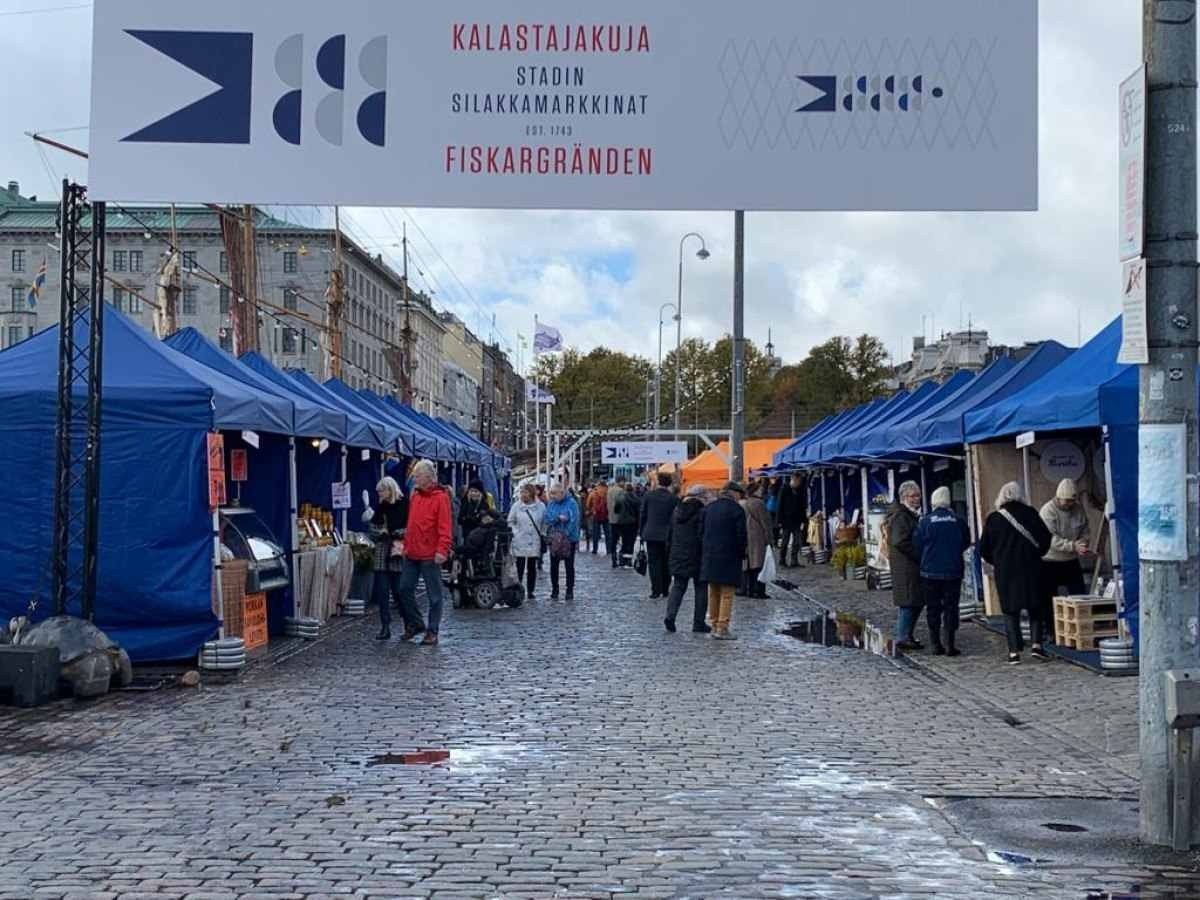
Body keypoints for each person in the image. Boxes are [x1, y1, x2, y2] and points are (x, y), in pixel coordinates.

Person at [979, 481, 1053, 664]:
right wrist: (1037, 554)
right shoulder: (1031, 514)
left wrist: (996, 561)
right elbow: (1045, 539)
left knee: (1010, 611)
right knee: (1035, 607)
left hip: (1006, 571)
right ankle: (1037, 645)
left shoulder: (994, 518)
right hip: (1032, 568)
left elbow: (984, 548)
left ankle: (1014, 651)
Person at [397, 459, 453, 647]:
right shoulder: (415, 495)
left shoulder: (440, 497)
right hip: (412, 551)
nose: (414, 478)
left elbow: (445, 526)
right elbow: (411, 524)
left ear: (429, 477)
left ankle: (433, 630)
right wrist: (406, 546)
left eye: (418, 475)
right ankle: (416, 623)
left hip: (430, 554)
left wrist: (442, 549)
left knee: (434, 595)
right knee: (404, 589)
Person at [913, 486, 972, 656]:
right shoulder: (958, 520)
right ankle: (950, 644)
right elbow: (966, 541)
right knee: (951, 607)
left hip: (930, 571)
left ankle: (935, 643)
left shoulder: (925, 521)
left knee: (933, 608)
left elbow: (917, 545)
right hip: (953, 570)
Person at [1039, 478, 1091, 640]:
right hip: (1050, 561)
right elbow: (1050, 538)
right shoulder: (1048, 511)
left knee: (1079, 595)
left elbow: (1085, 528)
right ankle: (1052, 631)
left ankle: (1083, 629)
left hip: (1070, 560)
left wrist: (1083, 542)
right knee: (1049, 599)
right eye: (1066, 501)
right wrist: (1073, 546)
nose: (1069, 504)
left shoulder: (1078, 509)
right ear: (1058, 497)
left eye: (1072, 500)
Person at [701, 481, 749, 640]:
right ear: (734, 493)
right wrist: (742, 553)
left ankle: (714, 624)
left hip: (710, 555)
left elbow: (700, 532)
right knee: (727, 593)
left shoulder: (709, 508)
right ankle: (722, 627)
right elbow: (741, 535)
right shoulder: (737, 510)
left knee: (713, 591)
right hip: (729, 555)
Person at [363, 477, 409, 641]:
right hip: (383, 550)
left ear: (389, 489)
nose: (379, 494)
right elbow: (373, 528)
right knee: (382, 591)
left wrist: (399, 533)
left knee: (398, 591)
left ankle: (407, 624)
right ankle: (385, 626)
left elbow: (410, 527)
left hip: (397, 550)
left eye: (381, 491)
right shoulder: (381, 506)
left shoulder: (404, 503)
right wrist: (379, 531)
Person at [665, 485, 711, 633]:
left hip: (678, 554)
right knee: (701, 589)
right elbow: (703, 535)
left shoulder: (676, 511)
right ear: (701, 497)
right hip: (698, 554)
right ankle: (698, 623)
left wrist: (670, 552)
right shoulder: (703, 512)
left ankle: (670, 616)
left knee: (678, 586)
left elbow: (670, 534)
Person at [888, 480, 924, 652]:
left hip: (909, 566)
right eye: (913, 496)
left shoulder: (908, 515)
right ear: (904, 498)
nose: (916, 499)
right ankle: (903, 636)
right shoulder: (901, 516)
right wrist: (918, 553)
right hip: (906, 567)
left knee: (914, 601)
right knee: (909, 603)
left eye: (918, 495)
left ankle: (907, 635)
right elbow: (899, 541)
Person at [639, 473, 678, 600]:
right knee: (666, 562)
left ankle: (656, 589)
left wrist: (641, 532)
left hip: (651, 533)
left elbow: (643, 515)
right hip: (668, 535)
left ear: (658, 482)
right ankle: (666, 588)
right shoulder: (673, 498)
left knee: (654, 562)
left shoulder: (649, 496)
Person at [507, 483, 546, 600]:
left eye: (526, 492)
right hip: (520, 539)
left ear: (532, 493)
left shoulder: (541, 506)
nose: (523, 495)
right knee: (519, 565)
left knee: (532, 566)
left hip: (534, 539)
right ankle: (518, 589)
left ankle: (530, 590)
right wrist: (515, 532)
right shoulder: (516, 506)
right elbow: (510, 520)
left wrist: (542, 533)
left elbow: (544, 522)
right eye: (522, 492)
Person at [543, 484, 580, 601]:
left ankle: (569, 590)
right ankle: (555, 589)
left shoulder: (571, 503)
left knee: (569, 565)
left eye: (554, 493)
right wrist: (558, 518)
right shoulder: (551, 504)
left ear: (562, 493)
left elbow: (573, 520)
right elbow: (547, 518)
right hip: (554, 538)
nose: (552, 496)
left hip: (569, 539)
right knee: (554, 565)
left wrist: (566, 535)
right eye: (551, 493)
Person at [740, 481, 774, 599]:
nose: (762, 491)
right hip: (758, 537)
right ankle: (759, 591)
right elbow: (766, 523)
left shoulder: (744, 503)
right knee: (759, 565)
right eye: (759, 489)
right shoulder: (759, 503)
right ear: (754, 491)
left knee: (749, 566)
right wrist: (769, 539)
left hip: (747, 537)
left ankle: (749, 589)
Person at [777, 474, 808, 567]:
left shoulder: (800, 490)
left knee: (796, 541)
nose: (799, 483)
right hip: (786, 520)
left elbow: (802, 506)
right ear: (793, 479)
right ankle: (782, 560)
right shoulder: (784, 489)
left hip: (797, 520)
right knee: (785, 541)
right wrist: (779, 521)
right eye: (798, 481)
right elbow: (780, 505)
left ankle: (794, 560)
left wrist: (804, 519)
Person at [587, 481, 610, 555]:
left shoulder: (593, 492)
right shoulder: (608, 492)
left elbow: (588, 504)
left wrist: (591, 510)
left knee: (595, 534)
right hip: (606, 515)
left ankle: (595, 549)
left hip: (596, 515)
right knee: (608, 534)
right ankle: (609, 550)